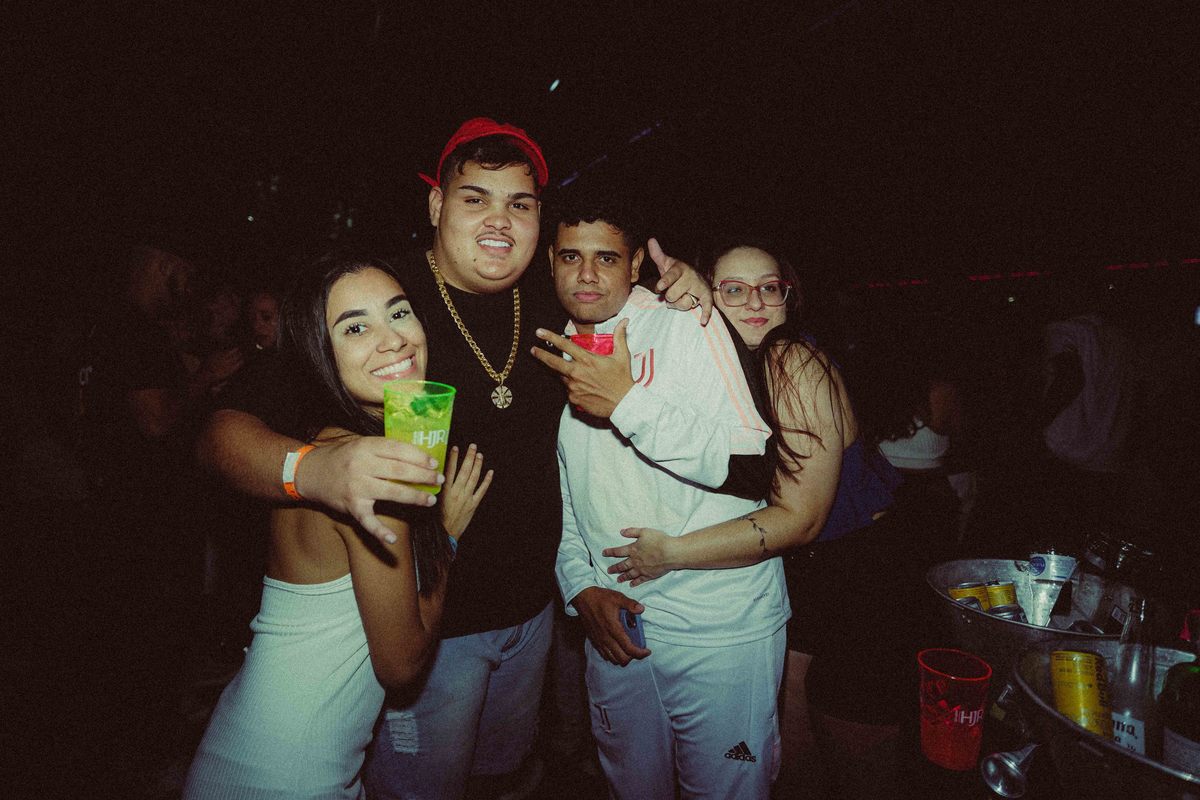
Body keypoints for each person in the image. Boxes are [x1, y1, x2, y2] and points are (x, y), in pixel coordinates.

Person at [195, 117, 711, 799]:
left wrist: (691, 292)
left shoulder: (555, 296)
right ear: (437, 204)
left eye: (520, 203)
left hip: (532, 615)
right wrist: (312, 470)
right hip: (430, 633)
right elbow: (220, 433)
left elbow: (637, 319)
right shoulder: (382, 302)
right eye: (475, 198)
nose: (500, 220)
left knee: (499, 777)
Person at [605, 241, 914, 799]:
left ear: (787, 297)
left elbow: (801, 519)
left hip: (856, 575)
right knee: (791, 746)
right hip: (809, 570)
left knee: (853, 749)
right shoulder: (731, 366)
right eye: (734, 289)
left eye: (769, 288)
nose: (755, 302)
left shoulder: (787, 358)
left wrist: (670, 552)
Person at [184, 254, 492, 799]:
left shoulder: (330, 440)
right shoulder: (359, 472)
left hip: (264, 747)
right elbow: (401, 665)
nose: (393, 339)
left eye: (399, 312)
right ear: (319, 354)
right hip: (287, 774)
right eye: (355, 327)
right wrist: (446, 537)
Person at [532, 197, 782, 800]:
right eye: (570, 256)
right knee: (631, 787)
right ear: (550, 261)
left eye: (606, 258)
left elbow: (753, 464)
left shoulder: (686, 323)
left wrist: (627, 404)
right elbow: (562, 487)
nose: (587, 274)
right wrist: (579, 588)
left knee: (729, 788)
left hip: (716, 626)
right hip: (614, 624)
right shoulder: (551, 347)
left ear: (636, 263)